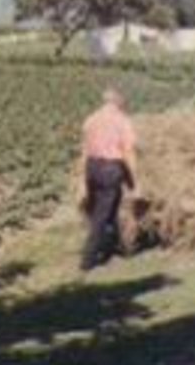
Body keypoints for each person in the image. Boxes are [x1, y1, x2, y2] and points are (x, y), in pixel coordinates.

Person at [77, 87, 139, 271]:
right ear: (119, 102)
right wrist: (135, 181)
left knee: (110, 207)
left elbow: (84, 151)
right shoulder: (122, 121)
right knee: (102, 215)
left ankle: (120, 246)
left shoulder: (91, 119)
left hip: (92, 168)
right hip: (110, 169)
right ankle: (87, 260)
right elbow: (128, 152)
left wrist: (82, 180)